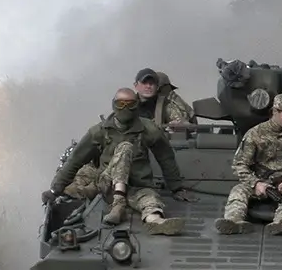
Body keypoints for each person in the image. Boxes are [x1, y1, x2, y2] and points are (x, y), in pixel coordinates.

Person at [46, 88, 195, 234]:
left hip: (137, 186)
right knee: (125, 148)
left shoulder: (148, 129)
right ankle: (118, 204)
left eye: (130, 104)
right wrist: (55, 190)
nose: (125, 108)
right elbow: (75, 160)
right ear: (114, 104)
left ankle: (156, 221)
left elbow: (166, 157)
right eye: (121, 104)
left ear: (136, 105)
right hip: (108, 186)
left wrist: (176, 187)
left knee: (151, 202)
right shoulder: (100, 131)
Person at [218, 93, 282, 235]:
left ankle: (281, 223)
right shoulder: (255, 134)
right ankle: (234, 222)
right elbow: (239, 164)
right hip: (261, 183)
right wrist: (256, 183)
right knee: (238, 191)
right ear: (275, 112)